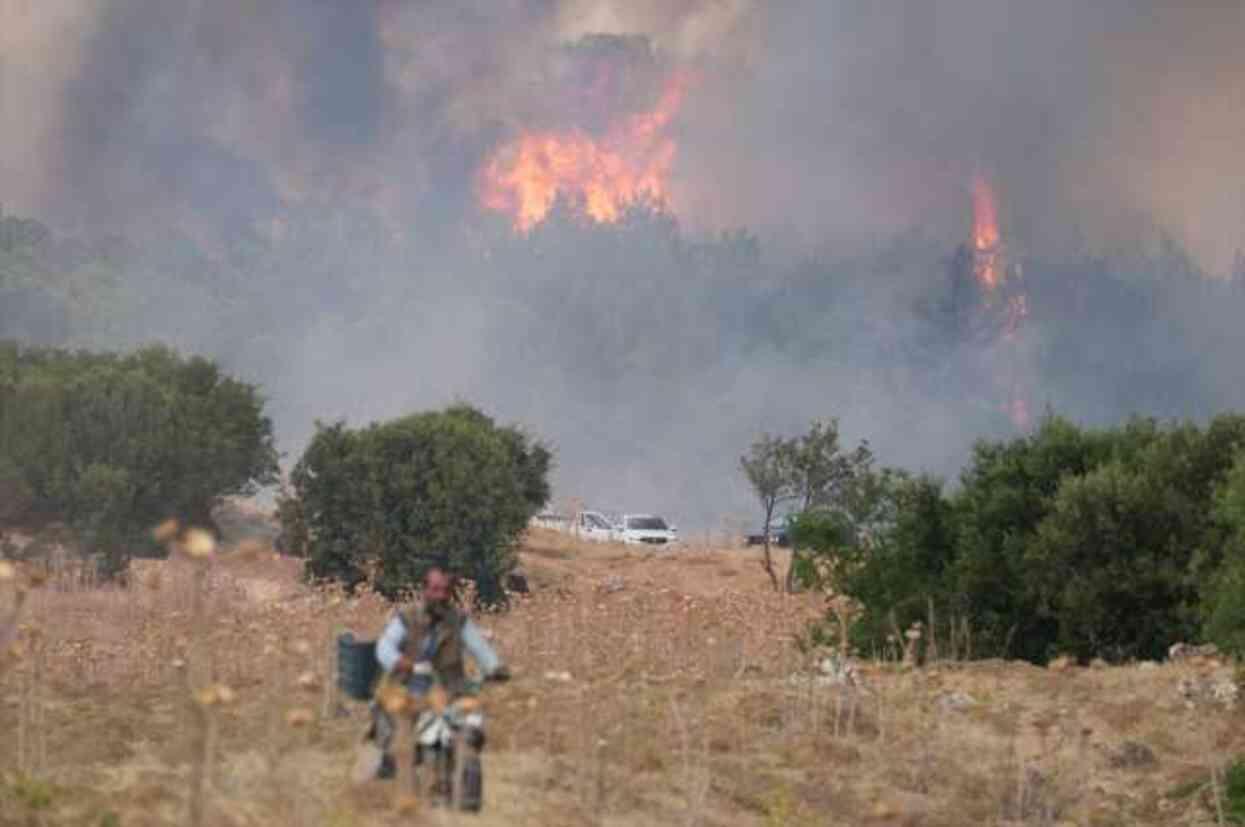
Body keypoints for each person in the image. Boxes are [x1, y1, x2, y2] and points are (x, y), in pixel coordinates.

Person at [355, 565, 510, 808]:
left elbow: (479, 647)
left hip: (451, 688)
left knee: (471, 726)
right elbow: (385, 646)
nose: (440, 595)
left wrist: (494, 667)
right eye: (435, 589)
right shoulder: (407, 618)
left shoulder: (458, 621)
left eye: (446, 590)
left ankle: (465, 787)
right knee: (396, 731)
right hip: (409, 685)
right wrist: (399, 661)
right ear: (425, 589)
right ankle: (391, 768)